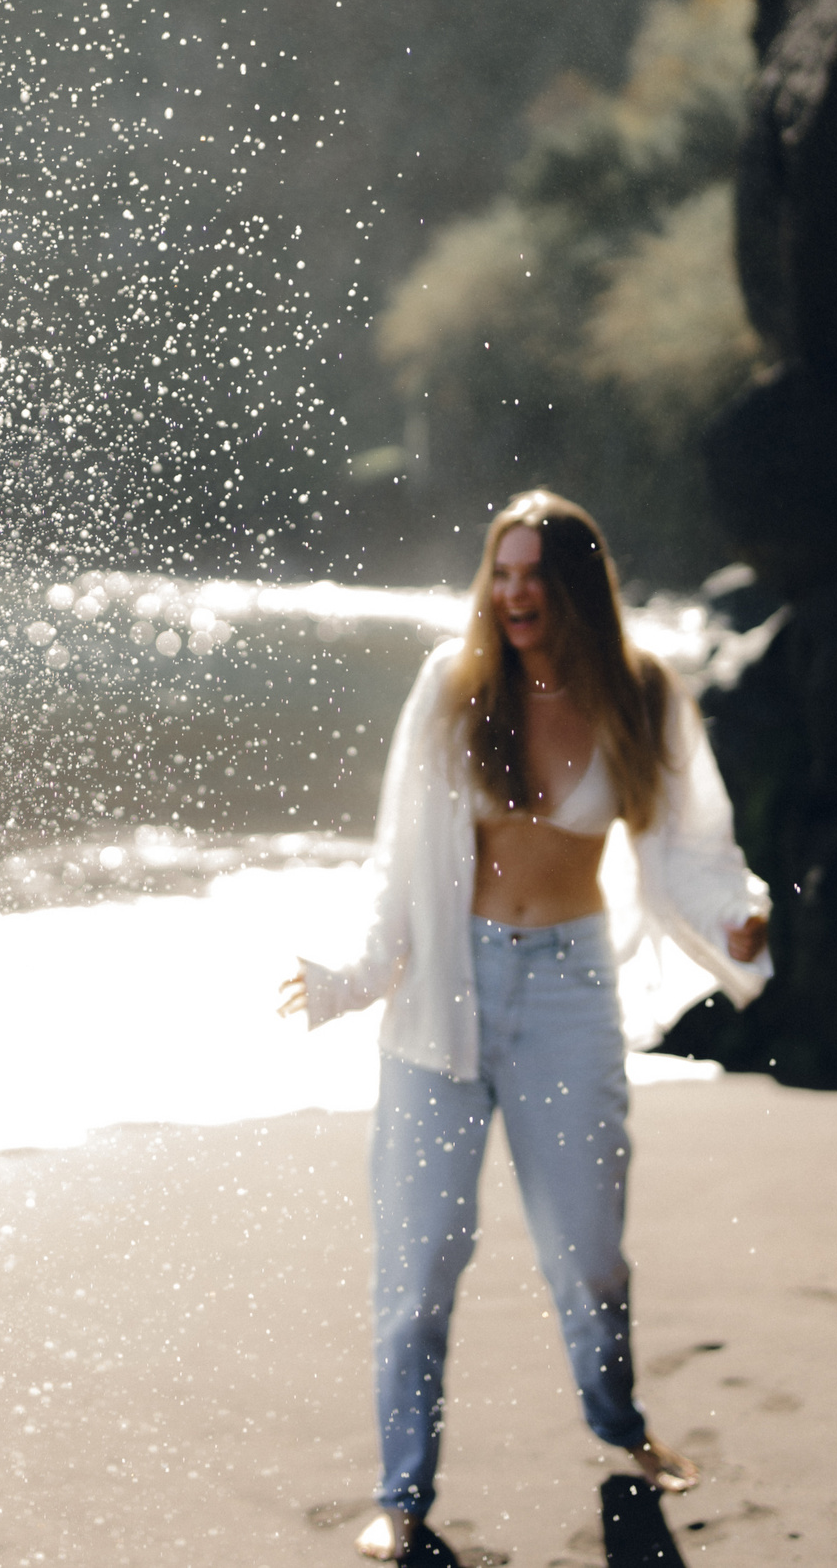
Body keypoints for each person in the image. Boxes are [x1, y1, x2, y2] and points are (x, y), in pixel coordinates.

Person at [278, 490, 769, 1562]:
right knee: (418, 1262)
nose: (511, 596)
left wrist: (738, 920)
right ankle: (401, 1495)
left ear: (576, 588)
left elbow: (693, 840)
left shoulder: (641, 696)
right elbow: (395, 862)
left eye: (533, 577)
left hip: (568, 996)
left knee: (588, 1255)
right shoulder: (450, 693)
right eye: (499, 575)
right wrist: (353, 973)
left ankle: (619, 1426)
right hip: (442, 995)